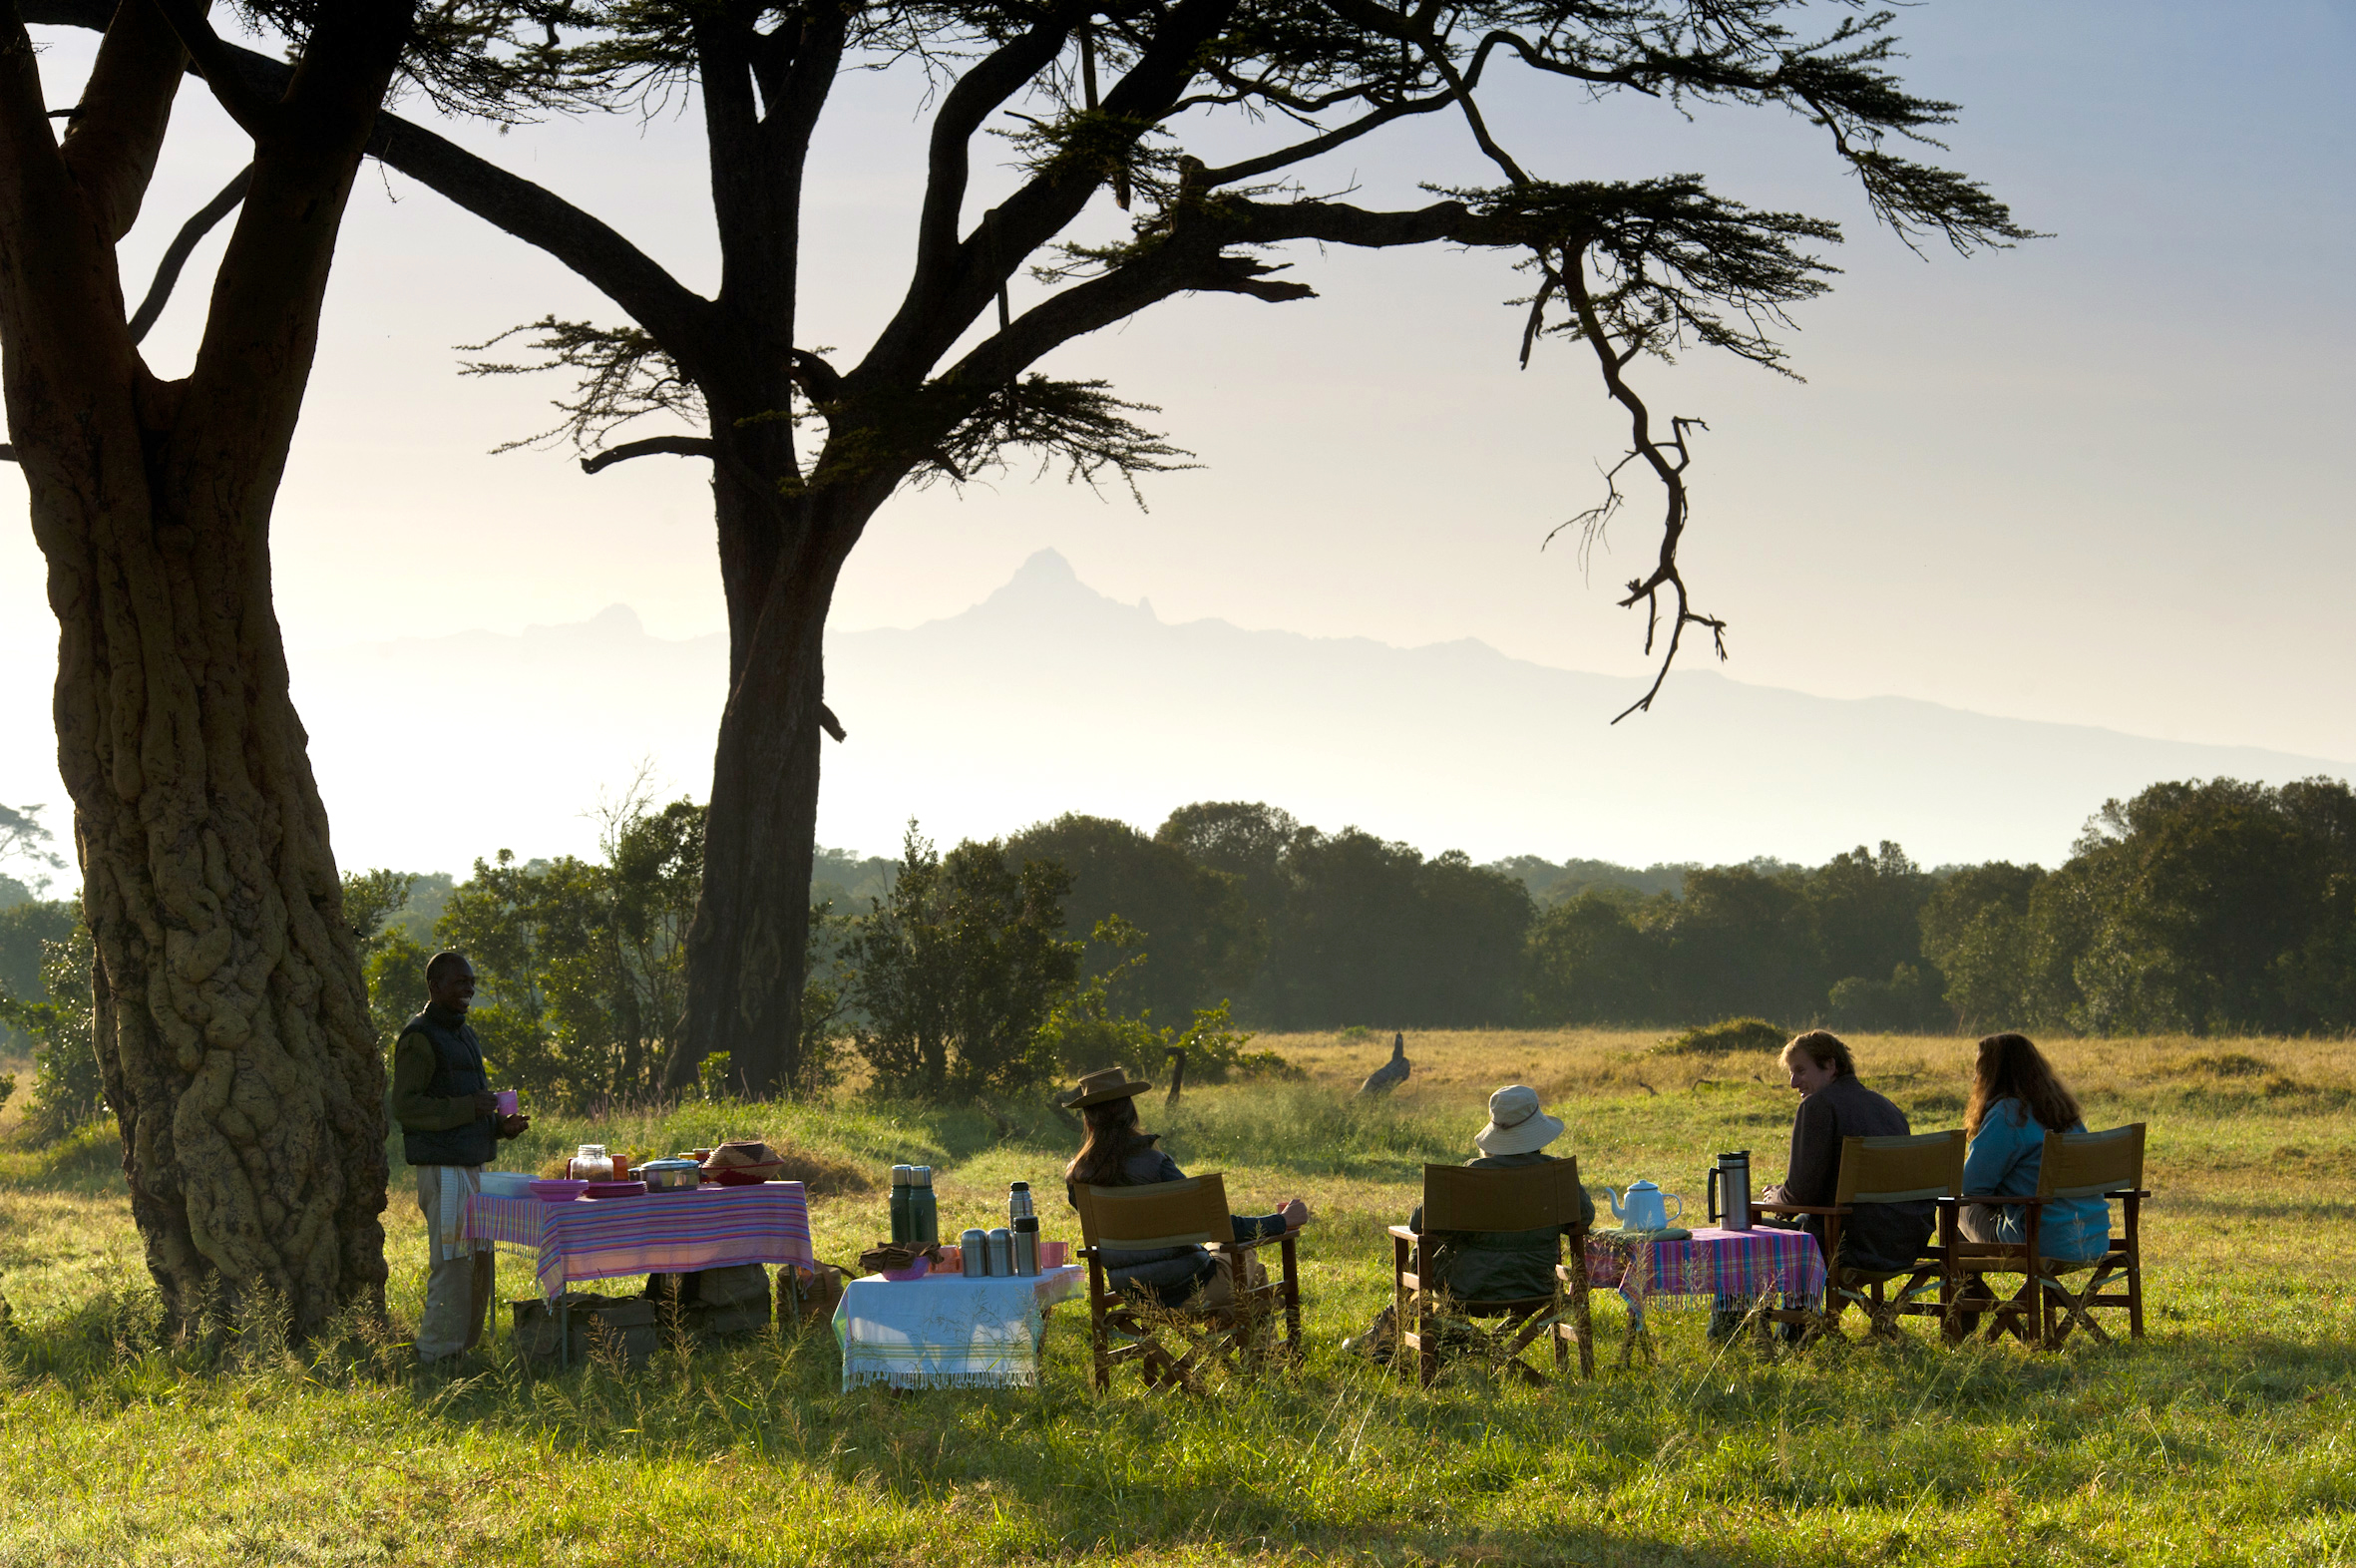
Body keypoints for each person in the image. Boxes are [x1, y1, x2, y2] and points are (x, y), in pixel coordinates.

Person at [1351, 1084, 1592, 1363]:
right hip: (1538, 1286)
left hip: (1470, 1290)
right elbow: (1584, 1218)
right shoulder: (1556, 1175)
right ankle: (1440, 1344)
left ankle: (1388, 1333)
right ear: (1537, 1132)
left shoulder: (1471, 1176)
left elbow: (1417, 1223)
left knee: (1426, 1247)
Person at [1059, 1067, 1308, 1309]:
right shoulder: (1156, 1165)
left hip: (1133, 1294)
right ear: (1131, 1114)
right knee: (1247, 1260)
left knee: (1225, 1258)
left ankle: (1234, 1340)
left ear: (1089, 1123)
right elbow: (1219, 1227)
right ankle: (1250, 1347)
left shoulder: (1078, 1177)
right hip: (1188, 1288)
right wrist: (1281, 1221)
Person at [390, 950, 529, 1367]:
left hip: (471, 1165)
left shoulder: (464, 1033)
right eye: (459, 982)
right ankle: (436, 1355)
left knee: (478, 1261)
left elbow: (466, 1104)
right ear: (434, 986)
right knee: (452, 1263)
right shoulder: (419, 1037)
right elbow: (407, 1107)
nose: (468, 989)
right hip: (443, 1170)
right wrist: (470, 1107)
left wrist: (498, 1128)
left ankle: (463, 1351)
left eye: (471, 982)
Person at [1759, 1029, 1933, 1272]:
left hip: (1846, 1243)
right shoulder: (1887, 1106)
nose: (1793, 1083)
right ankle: (1796, 1307)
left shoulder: (1817, 1106)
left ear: (1830, 1066)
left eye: (1800, 1071)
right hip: (1904, 1244)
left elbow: (1801, 1194)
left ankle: (1768, 1310)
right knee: (1803, 1221)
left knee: (1744, 1234)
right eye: (1791, 1073)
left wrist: (1775, 1198)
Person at [1960, 1031, 2109, 1261]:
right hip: (2093, 1238)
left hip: (2043, 1241)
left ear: (1992, 1074)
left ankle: (1968, 1294)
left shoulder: (2007, 1115)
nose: (1974, 1080)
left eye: (1978, 1070)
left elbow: (1971, 1187)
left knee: (1955, 1209)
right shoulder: (2064, 1113)